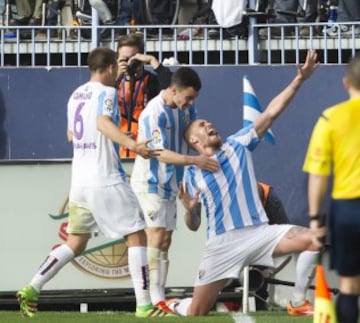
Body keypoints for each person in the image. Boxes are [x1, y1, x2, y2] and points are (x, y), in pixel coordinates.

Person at [16, 47, 175, 318]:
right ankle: (144, 305)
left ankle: (33, 287)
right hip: (105, 177)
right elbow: (102, 123)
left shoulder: (75, 95)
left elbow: (71, 134)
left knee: (76, 243)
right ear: (111, 68)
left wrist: (112, 134)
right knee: (137, 235)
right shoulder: (108, 93)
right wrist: (132, 144)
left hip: (79, 181)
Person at [166, 50, 323, 316]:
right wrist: (191, 209)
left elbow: (272, 113)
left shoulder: (238, 144)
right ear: (194, 141)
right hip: (222, 244)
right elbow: (193, 227)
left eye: (209, 122)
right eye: (203, 125)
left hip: (259, 233)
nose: (209, 124)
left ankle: (297, 301)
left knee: (314, 239)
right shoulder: (191, 173)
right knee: (197, 312)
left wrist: (299, 80)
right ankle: (176, 304)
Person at [130, 67, 220, 309]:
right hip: (149, 181)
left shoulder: (186, 110)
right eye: (188, 97)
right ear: (173, 90)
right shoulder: (152, 114)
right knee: (156, 235)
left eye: (193, 99)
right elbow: (160, 154)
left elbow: (194, 136)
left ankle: (159, 297)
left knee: (166, 239)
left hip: (172, 183)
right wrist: (195, 161)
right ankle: (150, 300)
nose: (191, 103)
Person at [303, 53, 360, 323]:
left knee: (349, 286)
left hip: (347, 209)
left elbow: (317, 176)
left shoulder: (330, 119)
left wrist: (315, 221)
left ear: (346, 82)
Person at [257, 182, 319, 315]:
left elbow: (285, 249)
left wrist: (267, 268)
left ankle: (297, 302)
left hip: (266, 200)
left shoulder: (266, 201)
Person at [115, 33, 172, 158]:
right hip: (118, 148)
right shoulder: (112, 84)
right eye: (124, 60)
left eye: (133, 59)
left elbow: (172, 90)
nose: (129, 64)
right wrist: (117, 76)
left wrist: (153, 61)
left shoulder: (151, 81)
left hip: (145, 146)